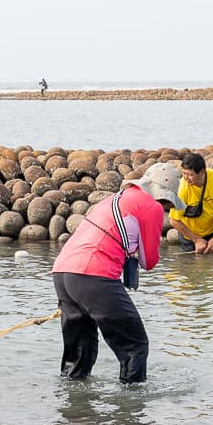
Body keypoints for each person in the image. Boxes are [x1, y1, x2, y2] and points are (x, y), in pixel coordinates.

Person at [50, 162, 185, 383]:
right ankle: (131, 408)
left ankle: (74, 410)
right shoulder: (152, 207)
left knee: (79, 352)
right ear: (166, 195)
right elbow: (149, 261)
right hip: (94, 275)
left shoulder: (113, 199)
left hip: (63, 273)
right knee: (135, 345)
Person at [169, 153, 213, 254]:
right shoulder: (182, 188)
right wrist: (196, 240)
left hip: (211, 232)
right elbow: (174, 221)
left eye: (191, 174)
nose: (186, 178)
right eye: (184, 173)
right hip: (189, 236)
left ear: (202, 172)